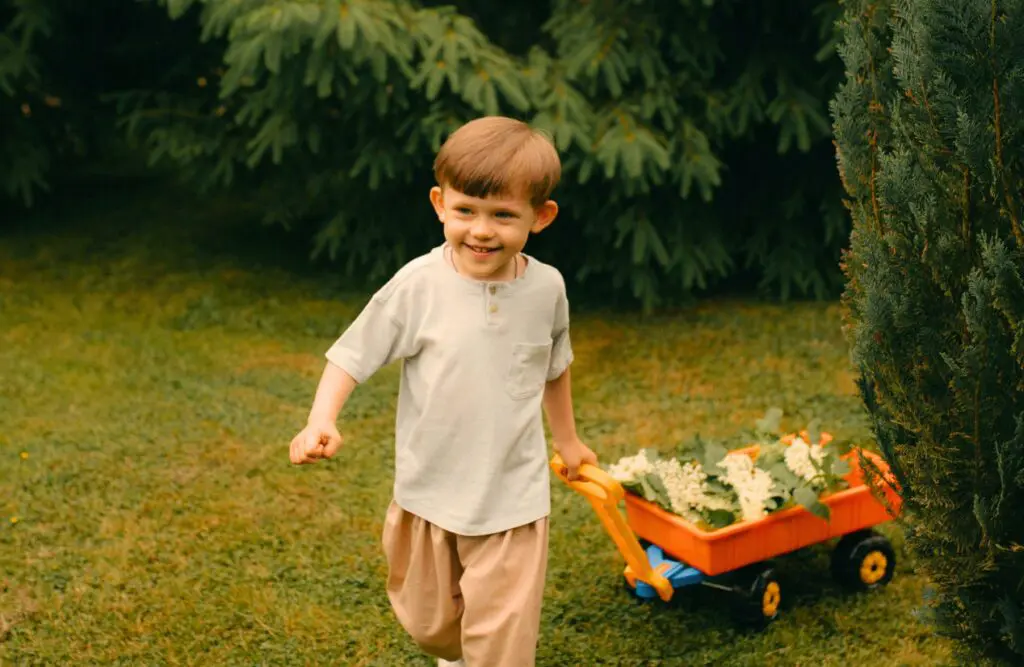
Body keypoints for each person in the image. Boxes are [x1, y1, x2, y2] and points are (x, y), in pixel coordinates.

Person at [287, 115, 597, 666]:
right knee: (430, 624)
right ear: (439, 204)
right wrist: (321, 419)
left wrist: (568, 441)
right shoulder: (419, 285)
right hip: (426, 491)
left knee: (500, 639)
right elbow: (351, 355)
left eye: (503, 215)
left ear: (540, 217)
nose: (481, 230)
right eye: (466, 211)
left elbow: (554, 366)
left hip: (512, 498)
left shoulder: (547, 288)